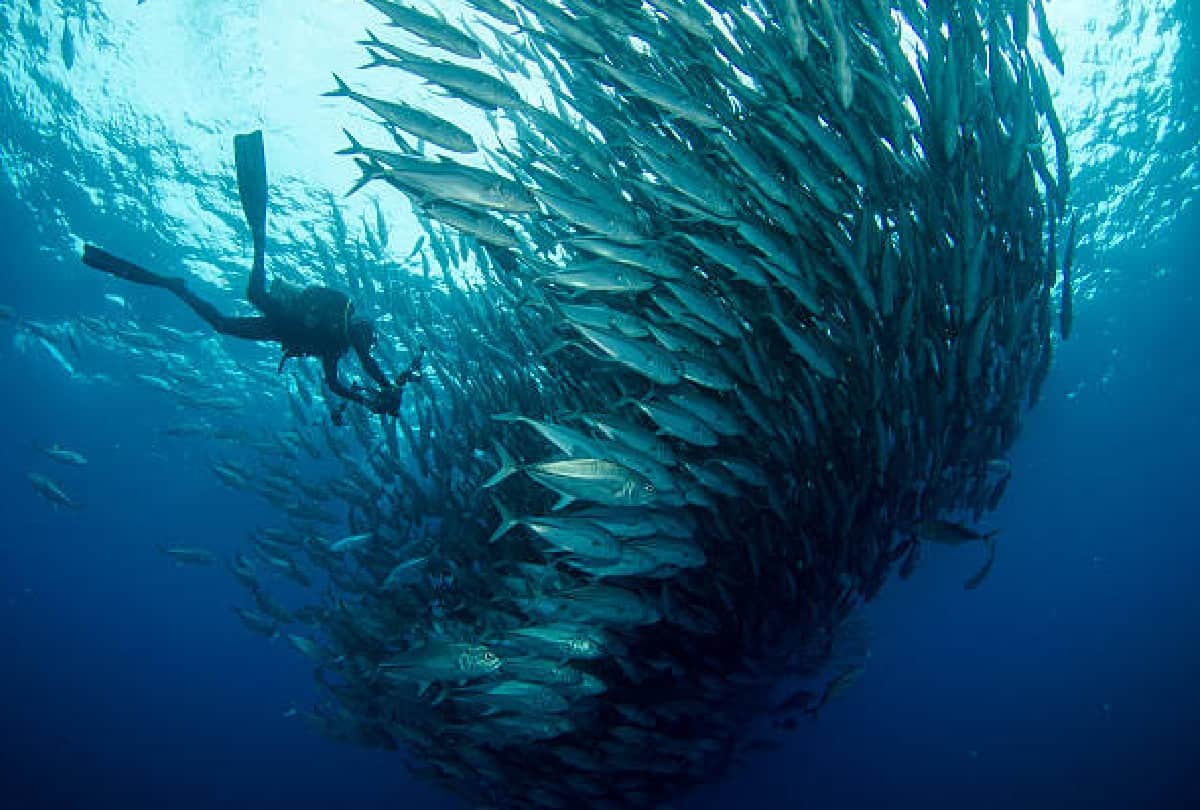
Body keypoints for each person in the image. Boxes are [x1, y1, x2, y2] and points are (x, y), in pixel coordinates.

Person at [82, 130, 422, 417]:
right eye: (367, 340)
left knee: (222, 325)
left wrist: (368, 400)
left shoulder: (336, 348)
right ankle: (259, 238)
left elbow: (334, 383)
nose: (366, 344)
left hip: (279, 331)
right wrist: (387, 386)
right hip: (287, 316)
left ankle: (174, 287)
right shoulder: (356, 327)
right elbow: (366, 359)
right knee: (254, 294)